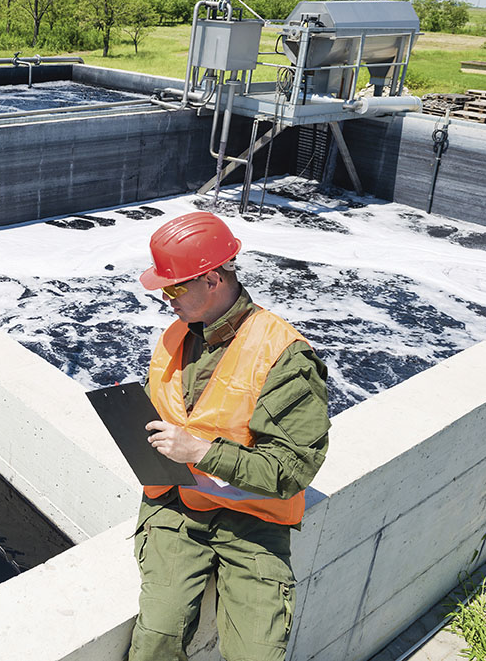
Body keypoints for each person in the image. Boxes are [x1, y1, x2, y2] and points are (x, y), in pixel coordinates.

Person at [128, 211, 330, 661]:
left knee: (258, 654)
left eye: (174, 286)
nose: (166, 298)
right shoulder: (175, 334)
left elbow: (292, 470)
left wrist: (199, 450)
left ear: (214, 279)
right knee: (157, 637)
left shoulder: (286, 356)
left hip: (254, 519)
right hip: (177, 504)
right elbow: (159, 411)